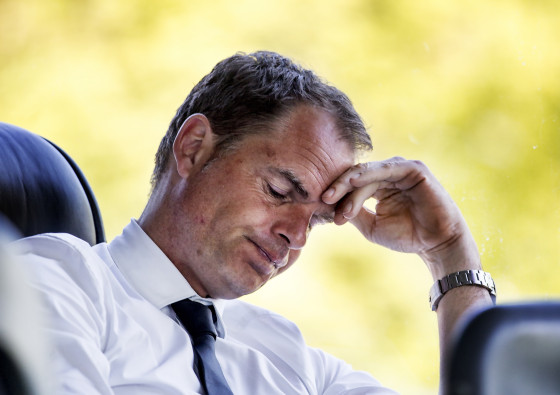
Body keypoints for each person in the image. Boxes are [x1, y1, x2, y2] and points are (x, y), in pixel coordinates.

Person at [15, 51, 495, 394]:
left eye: (319, 221)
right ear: (194, 148)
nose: (297, 236)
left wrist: (449, 252)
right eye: (281, 192)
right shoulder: (57, 282)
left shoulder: (292, 360)